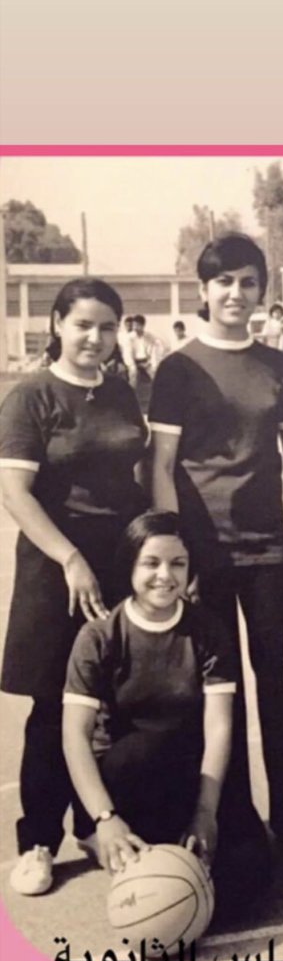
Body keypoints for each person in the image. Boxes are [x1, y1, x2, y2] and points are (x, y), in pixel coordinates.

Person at [149, 232, 283, 856]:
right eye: (223, 281)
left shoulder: (280, 364)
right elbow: (162, 464)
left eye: (248, 282)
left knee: (279, 682)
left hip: (271, 552)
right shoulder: (177, 368)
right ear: (203, 290)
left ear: (261, 292)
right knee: (218, 688)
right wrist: (176, 551)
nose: (236, 292)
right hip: (204, 555)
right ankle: (232, 820)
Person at [0, 278, 148, 895]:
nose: (96, 338)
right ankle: (37, 841)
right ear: (57, 324)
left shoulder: (120, 392)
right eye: (83, 324)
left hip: (119, 564)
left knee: (109, 704)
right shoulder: (31, 395)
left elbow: (137, 474)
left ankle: (94, 822)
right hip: (55, 569)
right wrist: (70, 558)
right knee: (54, 706)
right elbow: (14, 493)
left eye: (107, 327)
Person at [62, 511, 271, 922]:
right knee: (148, 747)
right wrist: (106, 819)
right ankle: (108, 840)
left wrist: (206, 813)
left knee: (252, 874)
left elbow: (218, 727)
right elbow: (74, 737)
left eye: (178, 564)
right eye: (151, 563)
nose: (165, 575)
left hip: (187, 774)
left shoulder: (207, 630)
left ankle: (174, 859)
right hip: (125, 777)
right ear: (129, 566)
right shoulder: (99, 635)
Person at [121, 314, 167, 414]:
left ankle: (160, 402)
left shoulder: (150, 337)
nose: (135, 328)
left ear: (142, 326)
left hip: (146, 362)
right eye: (134, 325)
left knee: (156, 375)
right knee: (133, 374)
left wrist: (152, 364)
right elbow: (127, 354)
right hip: (134, 362)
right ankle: (130, 401)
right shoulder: (129, 338)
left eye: (137, 325)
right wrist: (132, 365)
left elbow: (154, 352)